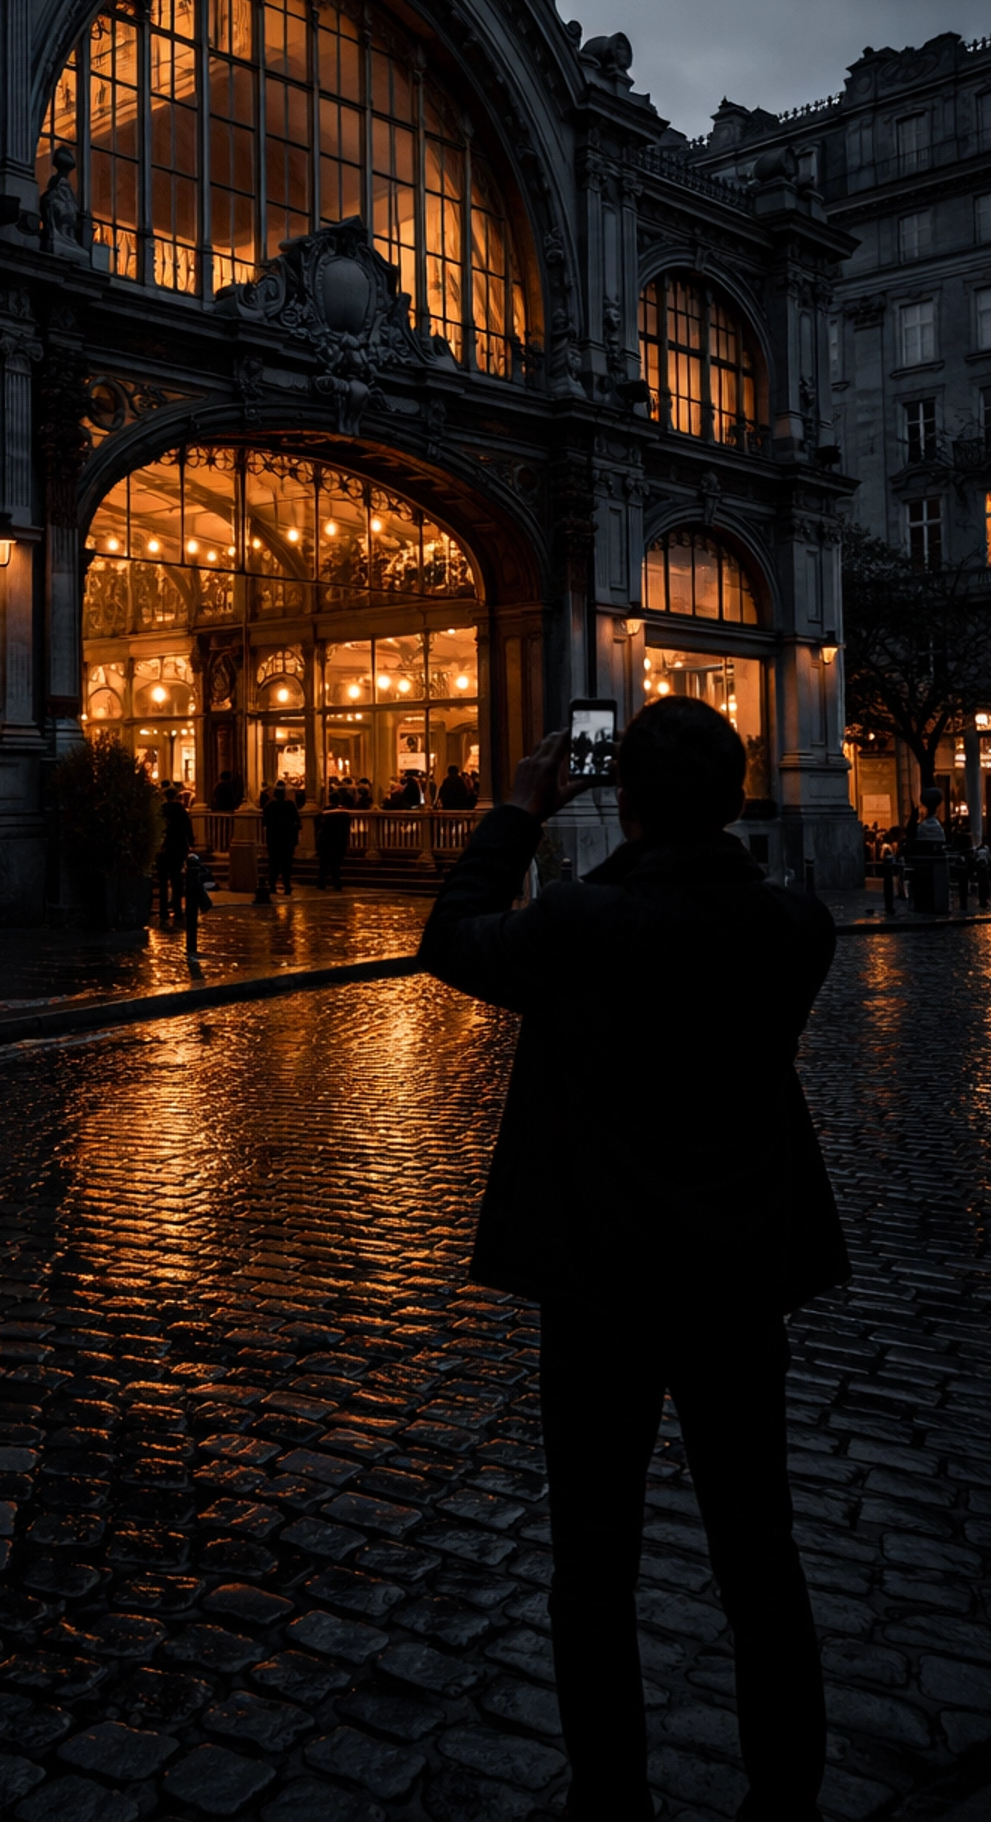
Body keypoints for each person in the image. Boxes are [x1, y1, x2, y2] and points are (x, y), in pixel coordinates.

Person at [420, 697, 847, 1822]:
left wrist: (518, 813)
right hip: (741, 1277)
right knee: (761, 1548)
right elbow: (696, 909)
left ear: (626, 797)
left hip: (601, 1279)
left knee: (594, 1563)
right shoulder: (797, 928)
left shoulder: (580, 923)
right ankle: (786, 1794)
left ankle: (611, 1799)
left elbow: (451, 937)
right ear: (740, 796)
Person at [157, 783, 194, 923]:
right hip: (178, 847)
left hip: (164, 847)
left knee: (162, 881)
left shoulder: (160, 810)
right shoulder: (181, 810)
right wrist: (190, 843)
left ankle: (163, 910)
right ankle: (177, 910)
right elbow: (187, 828)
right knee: (176, 879)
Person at [262, 779, 301, 894]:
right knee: (287, 863)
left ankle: (272, 885)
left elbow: (265, 821)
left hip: (273, 838)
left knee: (273, 862)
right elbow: (297, 820)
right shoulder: (290, 805)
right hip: (287, 838)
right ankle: (287, 885)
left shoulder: (269, 806)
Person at [316, 782, 353, 890]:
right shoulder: (343, 813)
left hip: (326, 840)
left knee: (324, 864)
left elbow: (318, 824)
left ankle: (321, 883)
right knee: (335, 865)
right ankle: (336, 883)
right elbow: (346, 827)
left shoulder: (325, 812)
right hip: (338, 841)